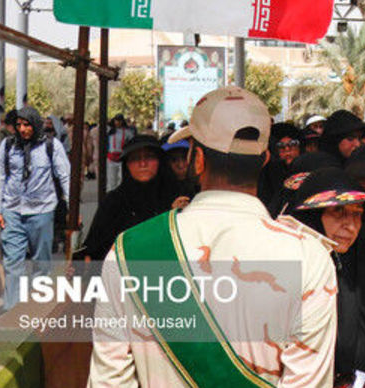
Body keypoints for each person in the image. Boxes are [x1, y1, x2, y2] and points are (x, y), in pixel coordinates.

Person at [88, 87, 337, 387]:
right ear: (265, 159)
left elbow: (109, 381)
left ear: (198, 160)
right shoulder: (309, 257)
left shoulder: (130, 251)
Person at [288, 168, 365, 387]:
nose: (350, 225)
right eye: (338, 212)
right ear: (312, 217)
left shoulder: (358, 271)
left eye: (357, 213)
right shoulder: (287, 271)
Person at [0, 106, 70, 311]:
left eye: (27, 125)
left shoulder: (52, 146)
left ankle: (37, 309)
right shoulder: (8, 146)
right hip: (12, 211)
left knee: (41, 263)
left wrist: (71, 208)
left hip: (42, 211)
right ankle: (12, 312)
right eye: (19, 125)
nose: (23, 129)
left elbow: (65, 176)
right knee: (13, 262)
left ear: (35, 124)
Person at [79, 135, 181, 260]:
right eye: (135, 158)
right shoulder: (114, 202)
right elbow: (93, 248)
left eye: (149, 157)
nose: (143, 164)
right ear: (127, 165)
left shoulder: (177, 197)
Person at [258, 122, 303, 206]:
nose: (287, 149)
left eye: (292, 144)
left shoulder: (308, 168)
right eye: (281, 146)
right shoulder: (269, 175)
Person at [106, 114, 133, 192]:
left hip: (122, 157)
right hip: (111, 157)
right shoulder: (109, 131)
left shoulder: (127, 132)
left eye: (120, 120)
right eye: (116, 120)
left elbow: (131, 142)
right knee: (111, 179)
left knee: (121, 179)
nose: (118, 122)